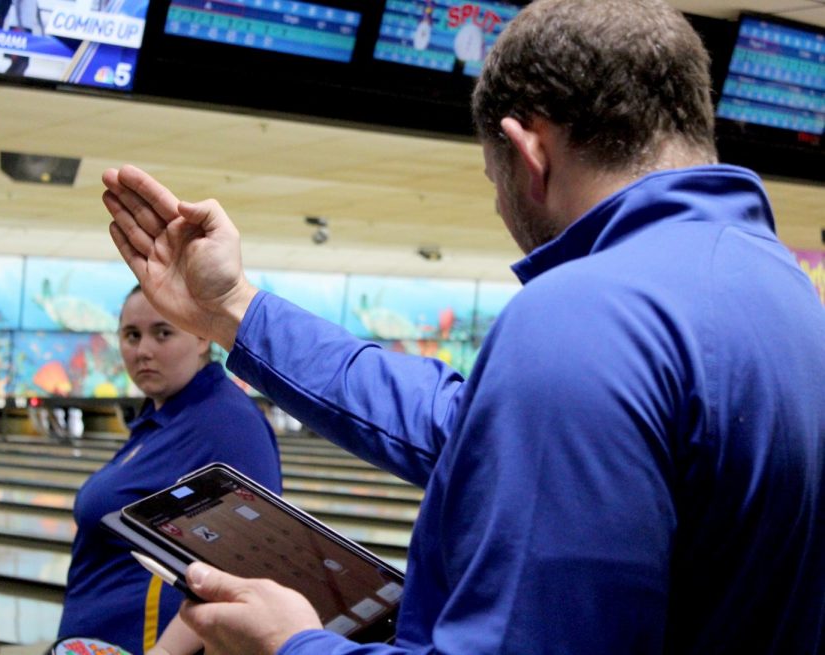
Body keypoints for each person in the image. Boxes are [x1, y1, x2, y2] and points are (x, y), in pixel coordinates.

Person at [100, 0, 825, 652]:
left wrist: (293, 644)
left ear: (528, 147)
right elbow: (464, 422)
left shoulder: (581, 311)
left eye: (492, 175)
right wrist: (232, 307)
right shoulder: (786, 296)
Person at [56, 285, 282, 655]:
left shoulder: (226, 422)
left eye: (163, 332)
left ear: (200, 336)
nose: (143, 350)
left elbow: (247, 565)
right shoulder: (163, 418)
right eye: (132, 335)